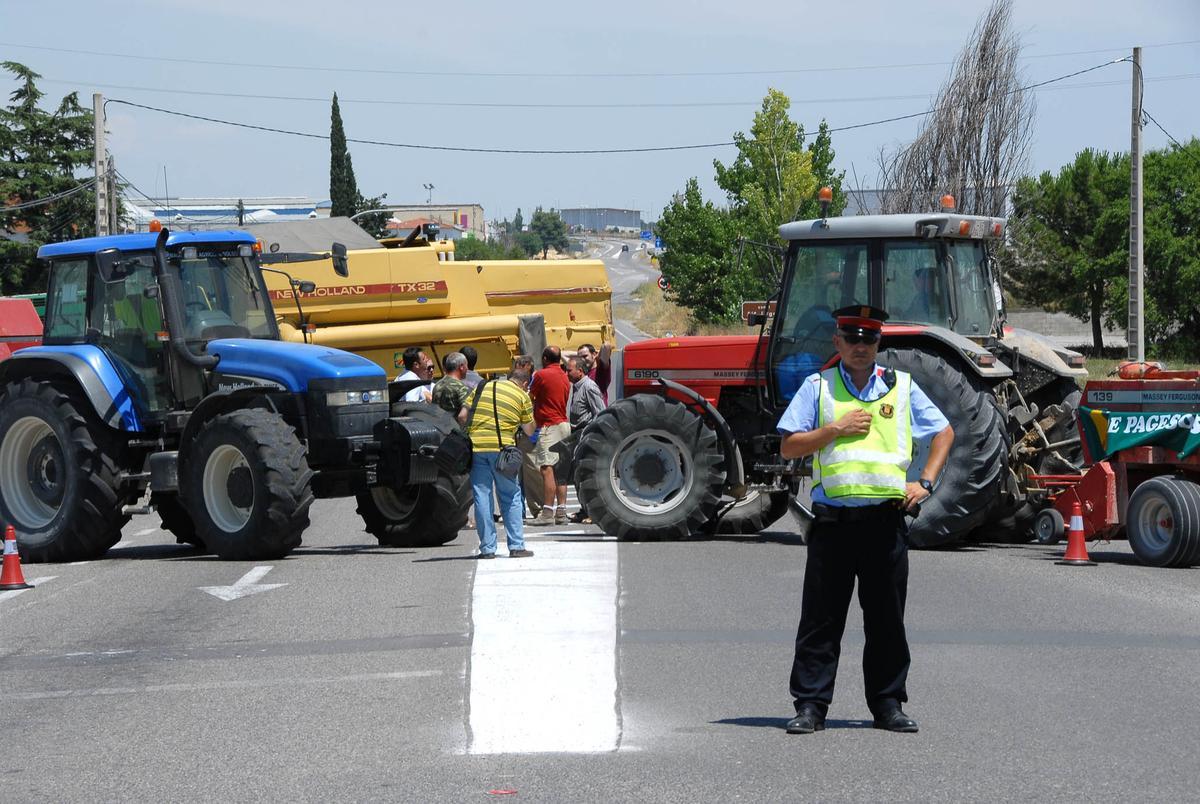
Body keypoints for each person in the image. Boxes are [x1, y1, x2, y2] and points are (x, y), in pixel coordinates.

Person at [776, 305, 954, 736]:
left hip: (885, 522)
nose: (859, 347)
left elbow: (944, 432)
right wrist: (834, 430)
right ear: (837, 343)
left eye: (868, 341)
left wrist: (925, 484)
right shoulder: (818, 387)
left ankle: (888, 705)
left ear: (879, 345)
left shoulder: (901, 387)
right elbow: (789, 447)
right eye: (851, 339)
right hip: (833, 523)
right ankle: (811, 706)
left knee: (886, 620)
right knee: (821, 619)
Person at [466, 367, 536, 558]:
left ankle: (487, 548)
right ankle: (516, 546)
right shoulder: (522, 396)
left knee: (481, 495)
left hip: (477, 448)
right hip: (503, 451)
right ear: (523, 383)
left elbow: (463, 415)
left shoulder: (482, 387)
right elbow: (529, 431)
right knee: (510, 494)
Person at [528, 345, 572, 525]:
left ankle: (547, 513)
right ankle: (561, 512)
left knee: (547, 468)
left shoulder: (541, 375)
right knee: (560, 469)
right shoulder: (564, 375)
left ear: (545, 358)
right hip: (563, 424)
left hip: (549, 426)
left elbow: (530, 396)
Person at [565, 355, 605, 524]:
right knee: (577, 475)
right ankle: (584, 510)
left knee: (587, 475)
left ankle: (593, 512)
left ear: (580, 371)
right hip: (576, 435)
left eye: (569, 370)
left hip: (587, 435)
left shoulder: (589, 386)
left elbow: (601, 413)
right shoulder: (576, 386)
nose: (567, 373)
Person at [431, 352, 472, 425]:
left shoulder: (437, 385)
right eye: (466, 365)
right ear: (461, 367)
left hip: (439, 430)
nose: (467, 368)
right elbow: (462, 416)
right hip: (453, 432)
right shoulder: (461, 388)